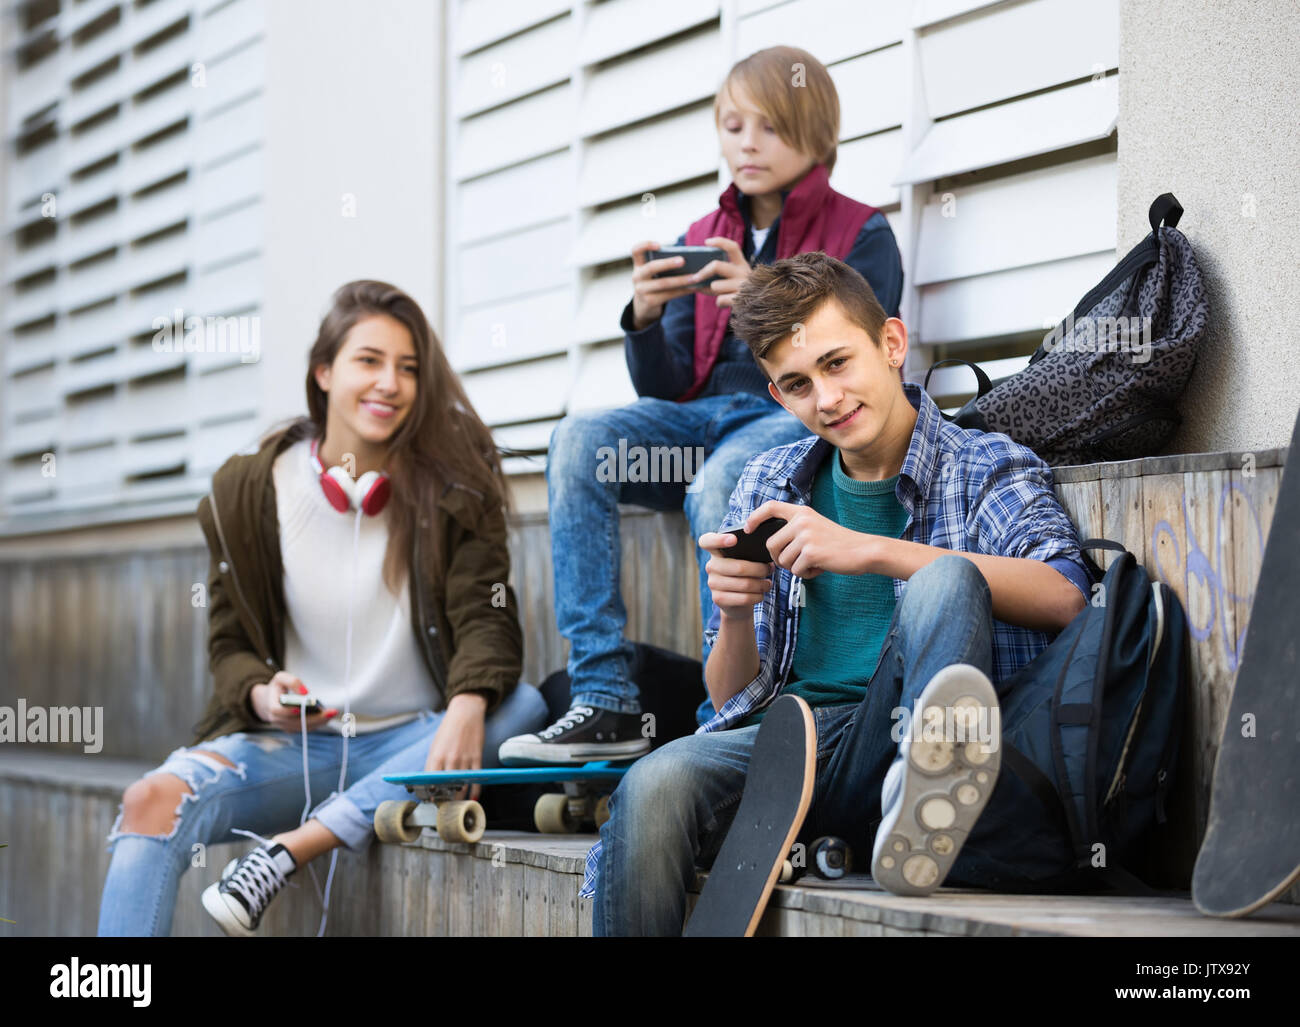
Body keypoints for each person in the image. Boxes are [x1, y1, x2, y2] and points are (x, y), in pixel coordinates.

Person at [588, 253, 1093, 935]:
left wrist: (875, 551)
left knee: (945, 577)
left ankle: (919, 798)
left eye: (837, 363)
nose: (825, 398)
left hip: (914, 741)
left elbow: (1066, 594)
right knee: (651, 783)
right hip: (787, 756)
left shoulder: (984, 464)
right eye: (796, 383)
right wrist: (735, 614)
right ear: (776, 396)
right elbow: (728, 696)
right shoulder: (769, 483)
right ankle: (881, 814)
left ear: (892, 343)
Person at [97, 280, 549, 936]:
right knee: (149, 799)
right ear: (324, 370)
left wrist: (467, 701)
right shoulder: (245, 492)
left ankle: (287, 850)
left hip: (414, 739)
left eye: (409, 368)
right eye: (369, 360)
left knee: (523, 706)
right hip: (294, 746)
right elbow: (229, 648)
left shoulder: (453, 484)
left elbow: (489, 620)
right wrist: (259, 693)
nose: (390, 382)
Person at [499, 46, 904, 764]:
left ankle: (720, 716)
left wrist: (763, 296)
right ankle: (605, 699)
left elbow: (858, 356)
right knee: (577, 440)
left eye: (768, 128)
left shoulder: (860, 231)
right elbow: (665, 386)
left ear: (816, 136)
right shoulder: (699, 236)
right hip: (703, 418)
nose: (745, 143)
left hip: (787, 415)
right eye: (731, 125)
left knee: (720, 481)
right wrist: (645, 317)